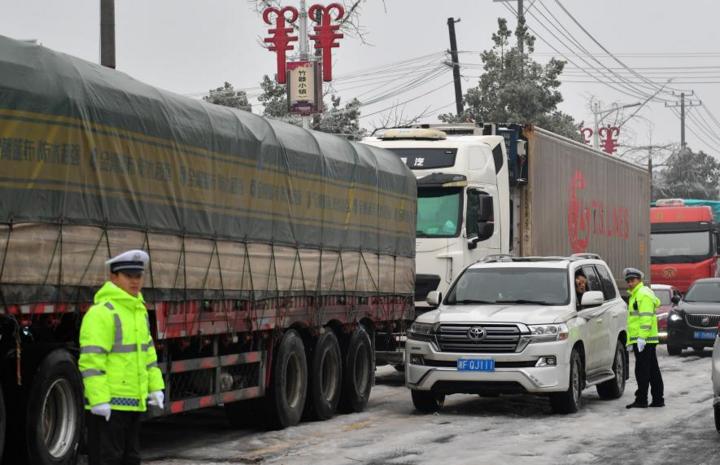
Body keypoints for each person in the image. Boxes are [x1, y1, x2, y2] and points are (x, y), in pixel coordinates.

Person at [79, 249, 165, 464]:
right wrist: (98, 400)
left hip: (134, 402)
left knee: (131, 458)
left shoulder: (139, 311)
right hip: (109, 406)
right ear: (114, 277)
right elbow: (91, 361)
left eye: (138, 276)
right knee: (108, 459)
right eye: (129, 276)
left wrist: (155, 387)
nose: (135, 282)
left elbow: (148, 354)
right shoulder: (102, 313)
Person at [624, 267, 664, 409]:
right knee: (652, 370)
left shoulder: (643, 294)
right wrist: (631, 340)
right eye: (628, 281)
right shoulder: (635, 295)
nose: (630, 283)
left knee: (642, 370)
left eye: (632, 280)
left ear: (639, 280)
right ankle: (658, 399)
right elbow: (633, 321)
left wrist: (641, 338)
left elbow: (646, 318)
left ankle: (641, 400)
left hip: (644, 340)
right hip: (642, 339)